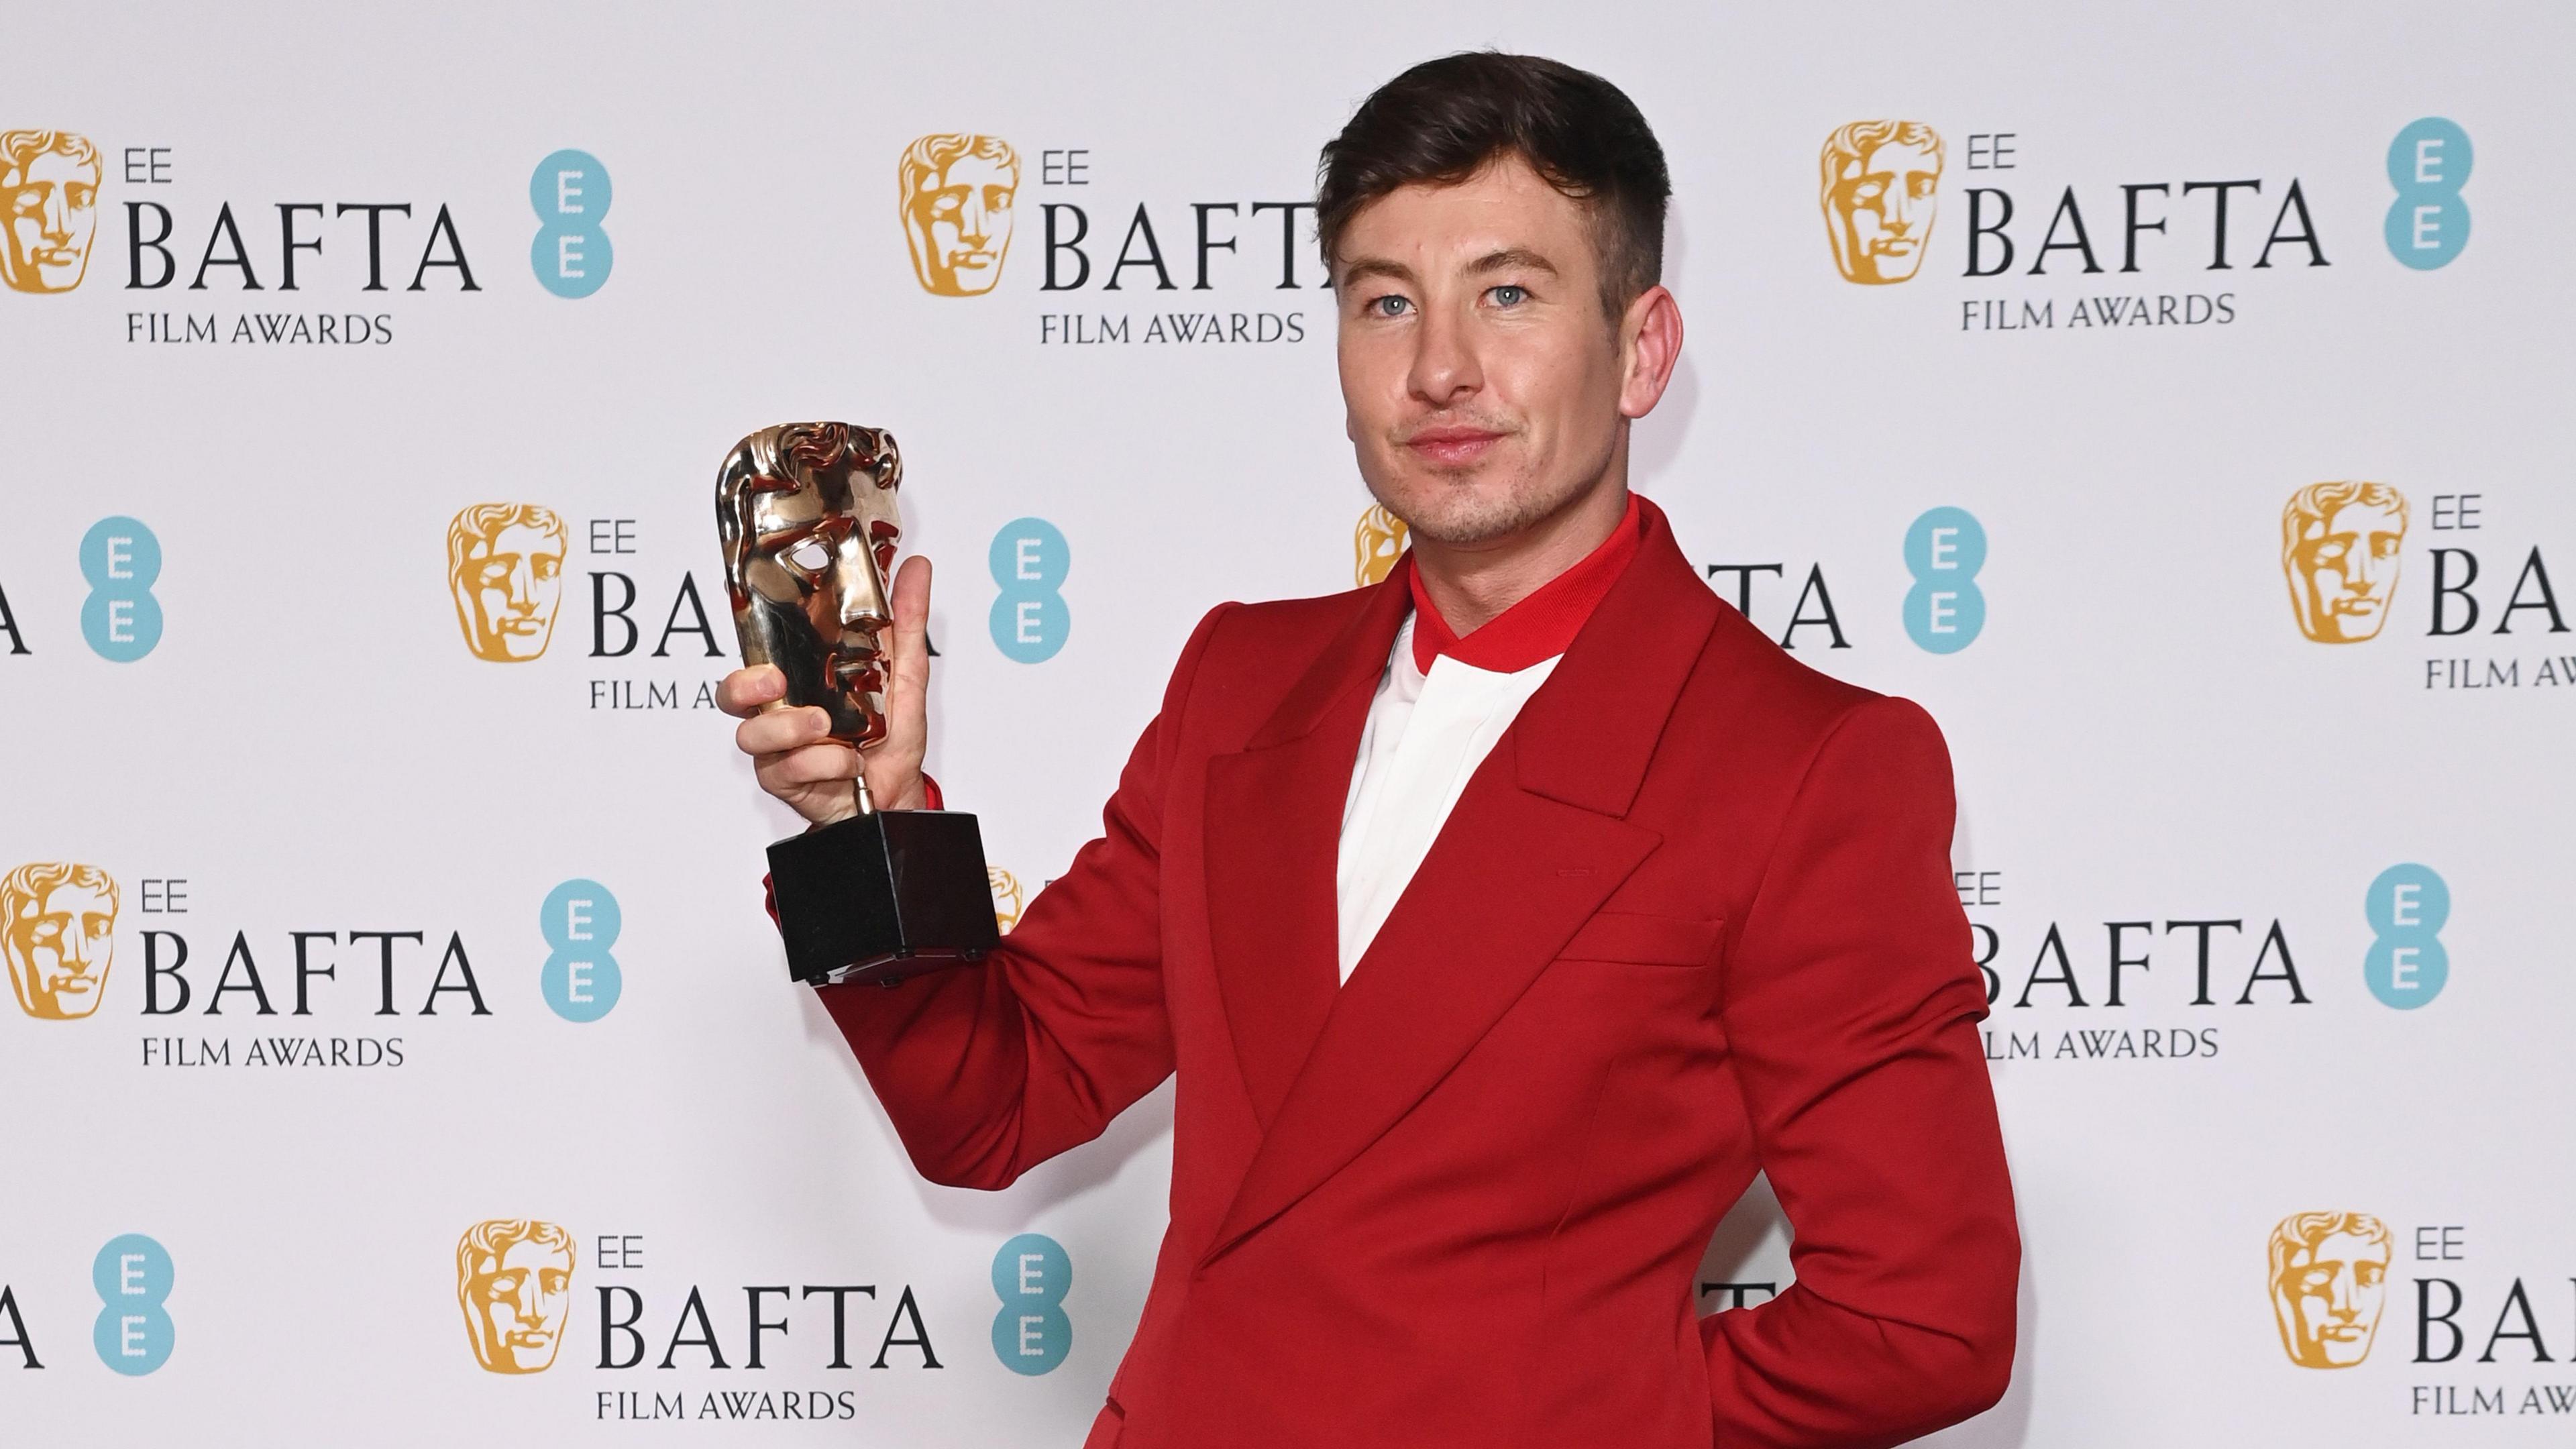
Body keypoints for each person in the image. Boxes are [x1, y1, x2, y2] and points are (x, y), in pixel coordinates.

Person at [723, 52, 2017, 1448]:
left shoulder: (1805, 766)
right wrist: (867, 817)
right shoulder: (1240, 682)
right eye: (1386, 302)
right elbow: (993, 1105)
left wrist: (1558, 1411)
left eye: (1508, 294)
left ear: (1642, 348)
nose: (1443, 367)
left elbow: (1922, 1322)